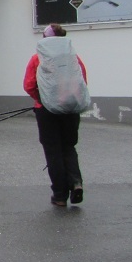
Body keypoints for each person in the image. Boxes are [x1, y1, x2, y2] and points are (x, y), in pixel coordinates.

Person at [23, 23, 88, 207]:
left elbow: (29, 85)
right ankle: (76, 182)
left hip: (46, 111)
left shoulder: (38, 58)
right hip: (71, 109)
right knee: (68, 147)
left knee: (53, 151)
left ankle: (59, 196)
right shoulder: (74, 59)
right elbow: (82, 80)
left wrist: (43, 100)